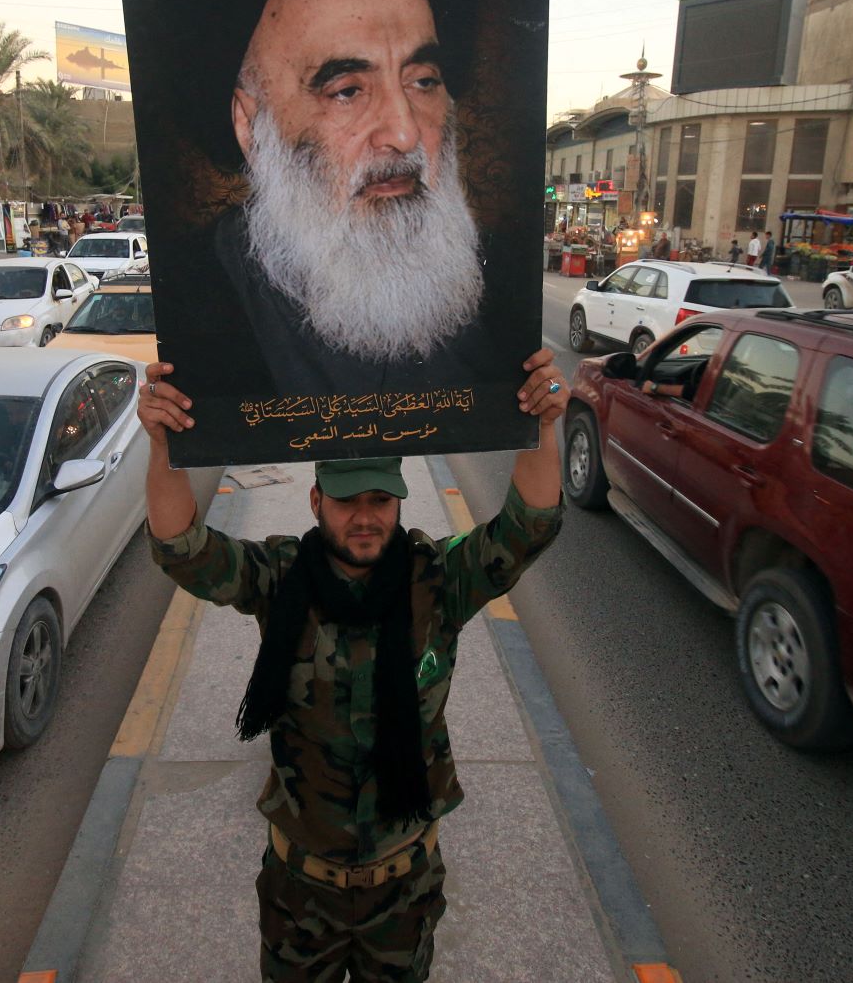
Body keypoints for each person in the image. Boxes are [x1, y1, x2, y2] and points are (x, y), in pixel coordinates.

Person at [138, 348, 567, 982]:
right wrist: (160, 443)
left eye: (380, 500)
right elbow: (183, 551)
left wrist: (544, 424)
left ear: (399, 501)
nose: (364, 517)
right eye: (345, 501)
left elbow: (526, 529)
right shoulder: (281, 578)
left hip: (405, 892)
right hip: (300, 892)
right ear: (315, 501)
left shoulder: (438, 580)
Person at [198, 0, 498, 395]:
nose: (404, 132)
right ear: (252, 131)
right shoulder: (201, 315)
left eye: (423, 81)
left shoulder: (491, 293)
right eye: (347, 90)